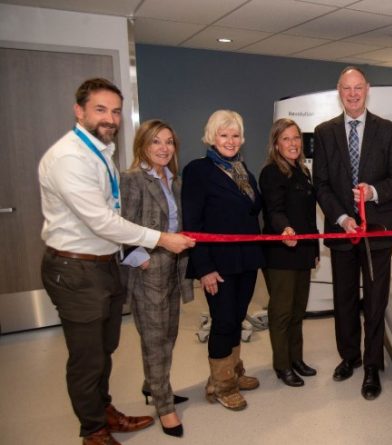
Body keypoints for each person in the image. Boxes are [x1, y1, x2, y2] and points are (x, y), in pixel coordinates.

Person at [38, 78, 195, 445]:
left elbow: (115, 214)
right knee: (88, 357)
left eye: (115, 111)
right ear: (79, 111)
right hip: (76, 267)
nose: (110, 118)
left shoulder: (101, 153)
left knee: (105, 349)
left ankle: (104, 411)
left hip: (104, 264)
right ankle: (93, 430)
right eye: (100, 109)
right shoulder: (68, 158)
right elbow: (105, 220)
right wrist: (157, 243)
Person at [313, 66, 392, 401]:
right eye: (346, 89)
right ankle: (349, 356)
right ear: (338, 91)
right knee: (344, 299)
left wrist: (373, 193)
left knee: (376, 300)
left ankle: (372, 366)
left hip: (378, 231)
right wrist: (341, 217)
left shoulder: (386, 130)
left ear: (367, 89)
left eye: (358, 88)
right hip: (343, 232)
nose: (353, 95)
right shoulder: (324, 132)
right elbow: (321, 184)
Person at [182, 109, 265, 411]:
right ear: (211, 137)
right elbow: (193, 223)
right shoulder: (198, 170)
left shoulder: (243, 170)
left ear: (242, 138)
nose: (230, 141)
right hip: (217, 263)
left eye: (235, 135)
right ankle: (222, 384)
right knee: (223, 320)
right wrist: (204, 268)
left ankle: (232, 371)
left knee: (237, 317)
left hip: (246, 260)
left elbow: (252, 211)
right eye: (223, 135)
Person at [119, 119, 194, 437]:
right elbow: (121, 224)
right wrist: (140, 258)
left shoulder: (174, 180)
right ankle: (165, 407)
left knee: (170, 334)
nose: (164, 148)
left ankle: (153, 385)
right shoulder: (132, 179)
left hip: (174, 266)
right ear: (143, 146)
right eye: (156, 142)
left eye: (169, 142)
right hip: (148, 268)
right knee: (154, 340)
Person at [259, 118, 320, 387]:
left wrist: (314, 248)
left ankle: (296, 359)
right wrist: (285, 229)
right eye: (286, 139)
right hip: (281, 252)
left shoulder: (303, 172)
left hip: (303, 250)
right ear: (276, 143)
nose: (293, 143)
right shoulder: (271, 173)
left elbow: (309, 216)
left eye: (296, 138)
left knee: (298, 311)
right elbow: (274, 209)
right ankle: (282, 365)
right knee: (282, 312)